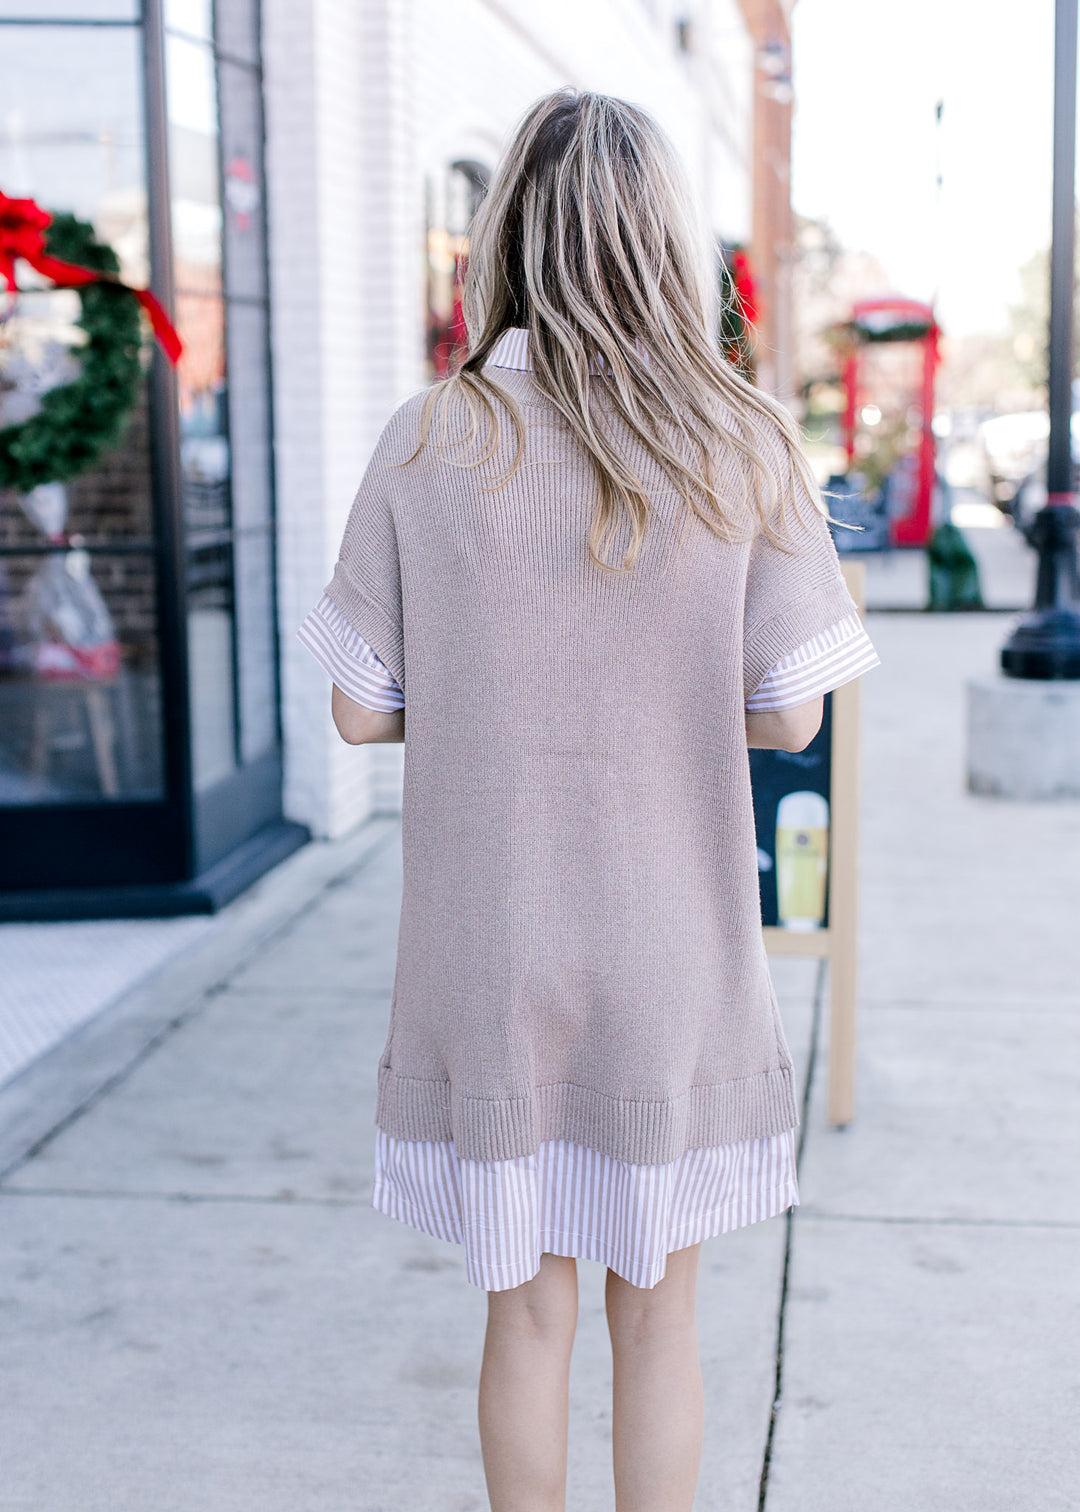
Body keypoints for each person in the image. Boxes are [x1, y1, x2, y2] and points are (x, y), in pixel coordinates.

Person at [299, 88, 878, 1512]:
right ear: (667, 245)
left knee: (525, 1314)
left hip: (491, 945)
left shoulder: (432, 439)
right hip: (670, 947)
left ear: (512, 235)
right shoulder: (740, 441)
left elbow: (361, 706)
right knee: (659, 1314)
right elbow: (793, 709)